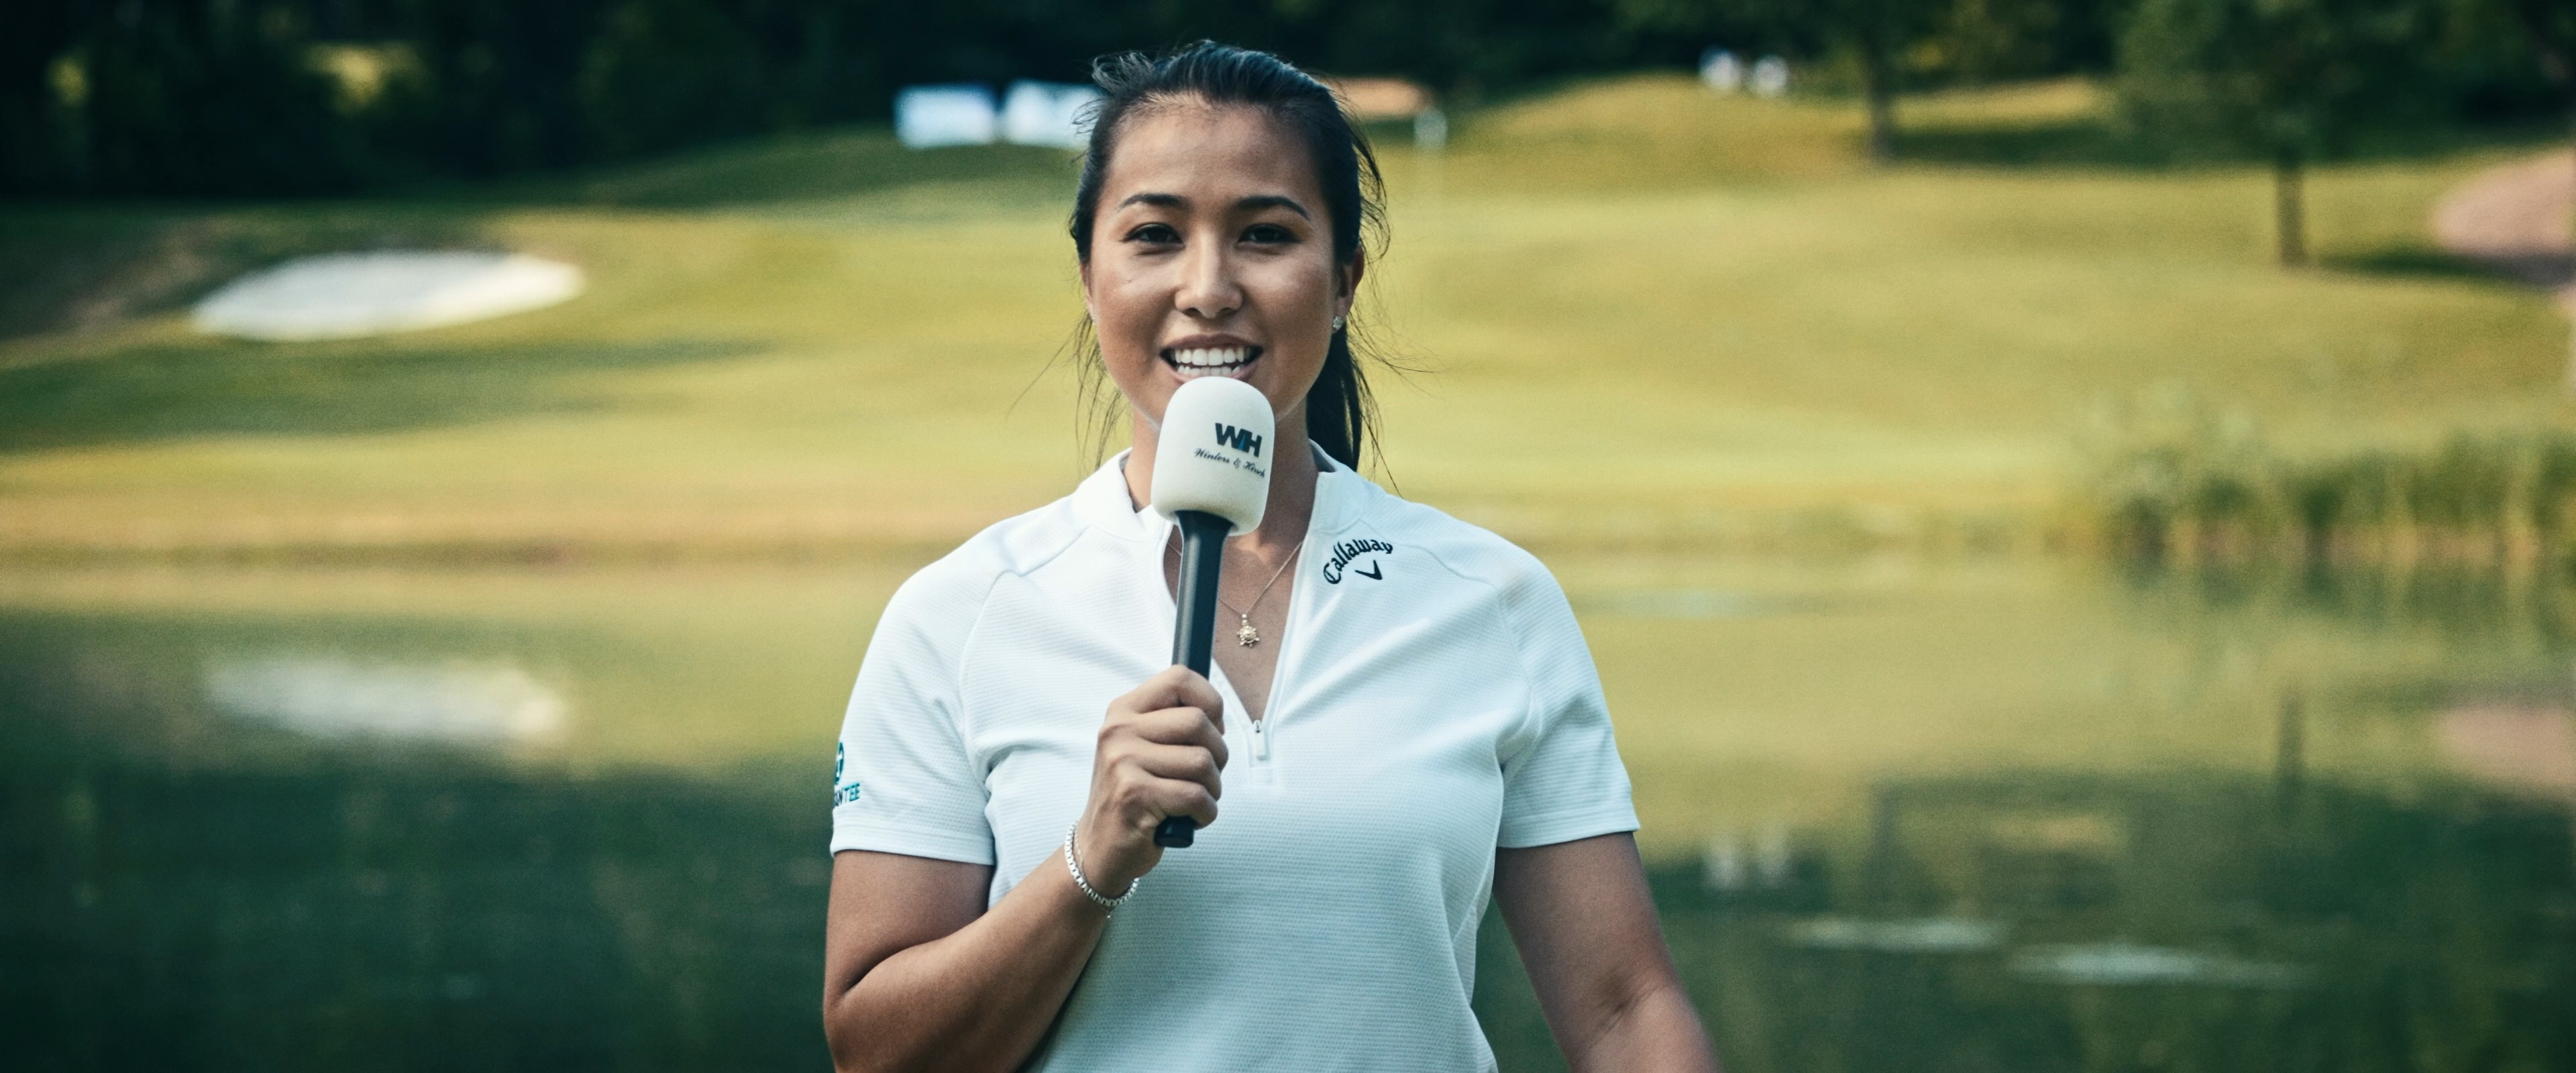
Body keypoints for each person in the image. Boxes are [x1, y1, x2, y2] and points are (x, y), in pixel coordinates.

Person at [821, 42, 1719, 1073]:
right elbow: (875, 1054)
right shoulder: (961, 614)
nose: (1208, 288)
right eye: (1155, 235)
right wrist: (1088, 861)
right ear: (1089, 279)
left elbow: (1623, 1013)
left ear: (1343, 281)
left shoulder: (1491, 600)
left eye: (1265, 234)